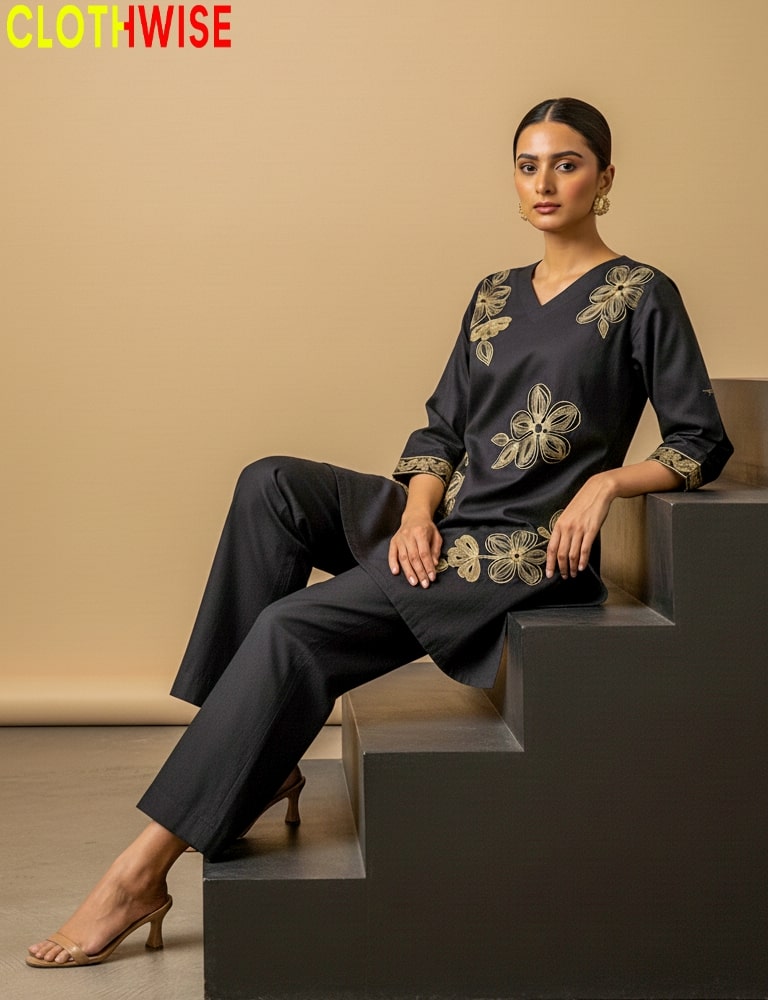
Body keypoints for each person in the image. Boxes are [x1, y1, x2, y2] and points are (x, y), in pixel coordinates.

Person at [27, 97, 733, 968]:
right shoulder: (494, 295)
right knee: (271, 484)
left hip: (519, 554)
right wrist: (415, 508)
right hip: (454, 519)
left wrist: (607, 482)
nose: (544, 182)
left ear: (606, 178)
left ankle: (140, 872)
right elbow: (440, 431)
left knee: (292, 630)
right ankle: (255, 755)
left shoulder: (641, 295)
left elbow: (699, 440)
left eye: (567, 163)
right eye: (527, 165)